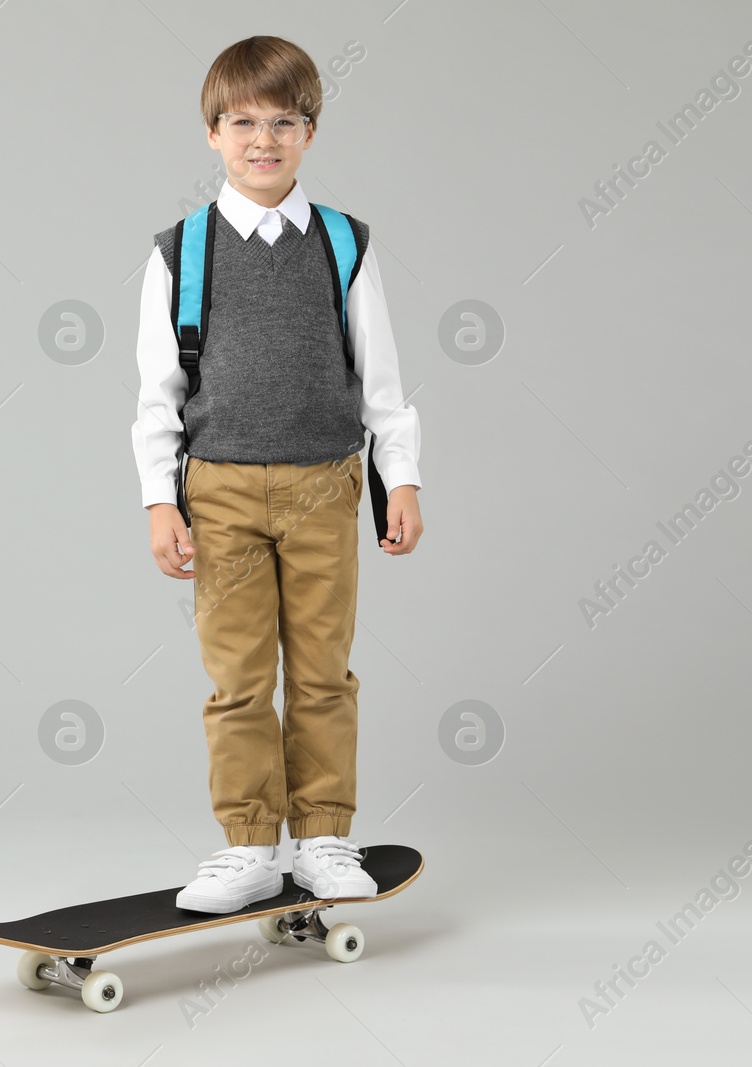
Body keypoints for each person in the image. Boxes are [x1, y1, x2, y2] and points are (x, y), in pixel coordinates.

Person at [131, 35, 423, 914]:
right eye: (244, 122)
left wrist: (399, 477)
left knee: (325, 672)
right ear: (213, 134)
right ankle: (250, 846)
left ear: (310, 131)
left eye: (285, 122)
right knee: (240, 679)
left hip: (325, 486)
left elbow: (382, 381)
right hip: (217, 494)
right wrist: (159, 501)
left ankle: (326, 834)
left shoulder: (343, 244)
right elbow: (157, 395)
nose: (265, 139)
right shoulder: (181, 251)